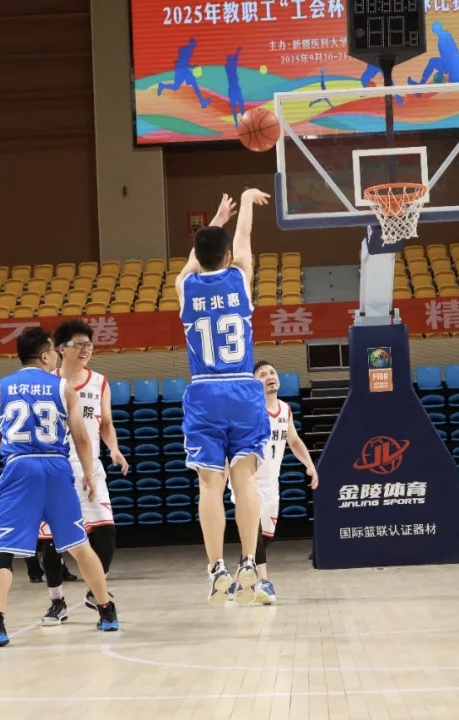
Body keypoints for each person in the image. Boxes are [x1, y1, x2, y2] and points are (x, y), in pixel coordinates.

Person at [0, 328, 119, 648]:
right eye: (54, 352)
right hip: (57, 467)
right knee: (78, 544)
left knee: (1, 546)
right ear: (45, 356)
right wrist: (88, 474)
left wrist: (21, 442)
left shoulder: (1, 386)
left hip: (20, 468)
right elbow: (82, 438)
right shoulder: (63, 387)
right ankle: (106, 610)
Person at [177, 189, 272, 605]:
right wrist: (245, 201)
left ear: (198, 256)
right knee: (244, 479)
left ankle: (216, 567)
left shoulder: (185, 285)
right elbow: (244, 236)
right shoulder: (240, 278)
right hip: (243, 387)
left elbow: (195, 258)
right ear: (229, 256)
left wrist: (216, 218)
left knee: (210, 484)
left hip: (204, 391)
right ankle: (249, 560)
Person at [37, 319, 130, 626]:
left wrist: (114, 449)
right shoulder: (46, 383)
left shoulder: (99, 382)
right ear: (61, 349)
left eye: (89, 345)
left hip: (91, 466)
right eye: (79, 345)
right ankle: (57, 602)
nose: (86, 350)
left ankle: (95, 588)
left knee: (106, 529)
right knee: (52, 540)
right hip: (55, 468)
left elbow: (106, 424)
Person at [227, 360, 318, 604]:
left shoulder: (285, 409)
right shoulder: (249, 411)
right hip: (247, 479)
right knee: (254, 531)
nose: (269, 376)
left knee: (263, 537)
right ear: (254, 383)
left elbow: (294, 441)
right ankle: (263, 582)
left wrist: (310, 465)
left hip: (271, 482)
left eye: (272, 372)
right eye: (263, 374)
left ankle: (236, 582)